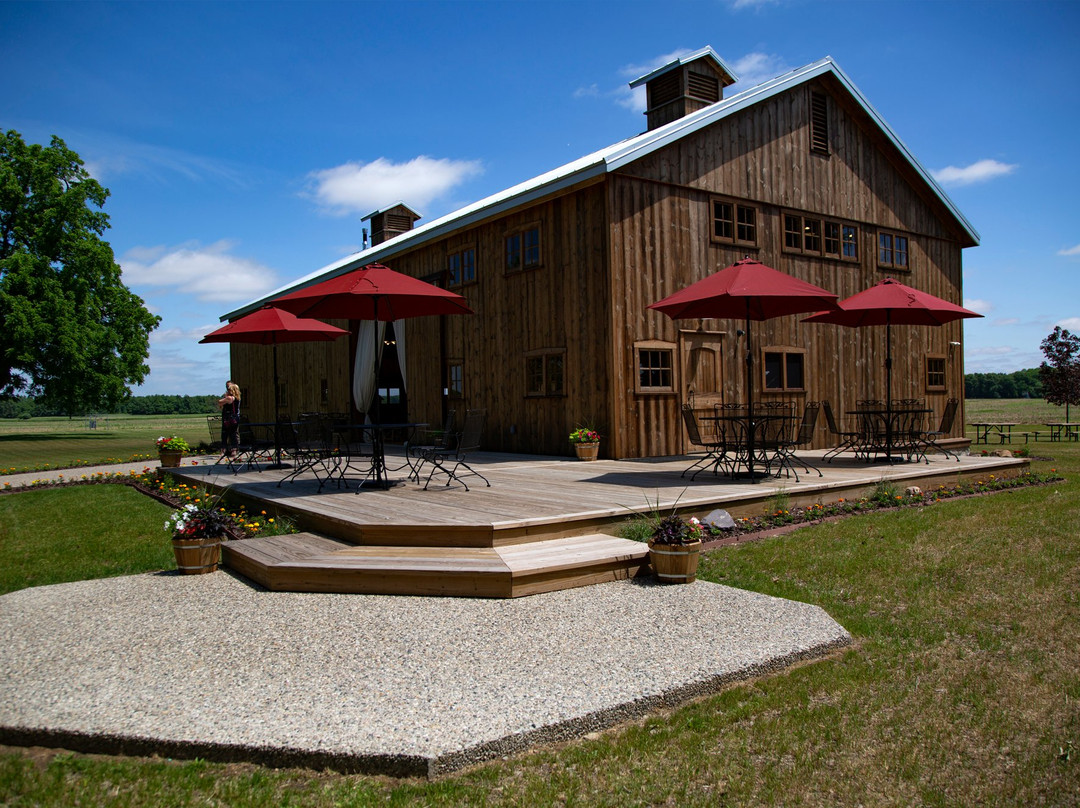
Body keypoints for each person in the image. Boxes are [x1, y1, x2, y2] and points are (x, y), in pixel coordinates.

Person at [217, 381, 241, 458]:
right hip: (235, 418)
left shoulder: (229, 398)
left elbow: (220, 402)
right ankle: (234, 449)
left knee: (225, 434)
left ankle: (223, 450)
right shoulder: (237, 398)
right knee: (234, 434)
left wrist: (225, 396)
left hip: (228, 418)